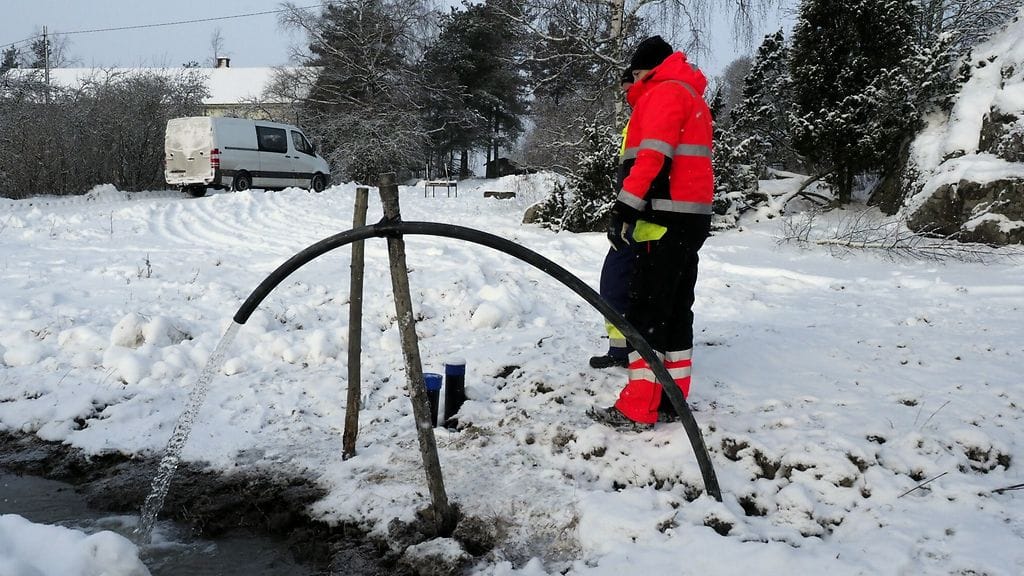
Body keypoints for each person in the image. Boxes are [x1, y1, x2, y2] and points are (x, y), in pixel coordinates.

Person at [588, 35, 714, 431]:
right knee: (675, 315)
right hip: (688, 221)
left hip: (662, 220)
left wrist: (625, 206)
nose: (634, 81)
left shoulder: (663, 92)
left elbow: (653, 156)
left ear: (650, 69)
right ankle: (672, 401)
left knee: (646, 315)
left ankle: (637, 407)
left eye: (637, 72)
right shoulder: (690, 95)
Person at [589, 68, 638, 370]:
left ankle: (635, 351)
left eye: (628, 89)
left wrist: (627, 211)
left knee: (617, 285)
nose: (626, 96)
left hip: (644, 220)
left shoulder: (651, 117)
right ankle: (621, 350)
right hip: (632, 216)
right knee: (613, 286)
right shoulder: (637, 121)